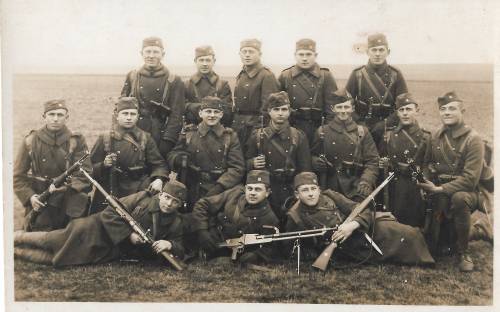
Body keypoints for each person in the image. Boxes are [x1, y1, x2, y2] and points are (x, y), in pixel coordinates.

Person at [14, 180, 187, 267]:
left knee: (57, 260)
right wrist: (129, 235)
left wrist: (169, 244)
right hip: (94, 229)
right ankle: (16, 237)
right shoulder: (142, 198)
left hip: (110, 249)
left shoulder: (176, 222)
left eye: (175, 202)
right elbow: (112, 211)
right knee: (52, 240)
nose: (169, 204)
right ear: (160, 195)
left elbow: (181, 247)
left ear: (180, 205)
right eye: (167, 198)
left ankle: (15, 252)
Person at [285, 172, 434, 266]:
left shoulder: (330, 195)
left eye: (313, 189)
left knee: (407, 232)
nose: (311, 194)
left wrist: (352, 225)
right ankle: (422, 257)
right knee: (405, 239)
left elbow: (361, 209)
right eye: (305, 190)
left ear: (319, 189)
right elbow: (298, 245)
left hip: (361, 228)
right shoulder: (295, 216)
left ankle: (427, 251)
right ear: (297, 195)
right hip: (348, 246)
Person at [418, 91, 489, 272]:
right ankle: (476, 232)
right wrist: (425, 182)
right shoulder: (434, 136)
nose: (447, 112)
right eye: (443, 109)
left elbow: (470, 180)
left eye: (452, 108)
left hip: (469, 193)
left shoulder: (474, 140)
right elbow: (426, 163)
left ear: (462, 111)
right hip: (439, 191)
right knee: (438, 244)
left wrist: (439, 189)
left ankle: (463, 252)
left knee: (459, 198)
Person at [13, 99, 92, 231]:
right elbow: (18, 177)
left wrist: (68, 187)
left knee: (69, 242)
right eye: (51, 114)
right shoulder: (31, 141)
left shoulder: (76, 141)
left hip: (67, 201)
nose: (55, 119)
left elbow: (85, 173)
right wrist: (31, 197)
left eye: (60, 115)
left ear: (67, 117)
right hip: (40, 199)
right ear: (44, 117)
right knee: (37, 243)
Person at [89, 97, 169, 213]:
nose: (128, 117)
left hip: (136, 190)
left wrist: (159, 179)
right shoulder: (105, 138)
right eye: (125, 113)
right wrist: (103, 165)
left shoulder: (145, 138)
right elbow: (89, 168)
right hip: (109, 189)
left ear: (137, 116)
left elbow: (159, 164)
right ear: (117, 115)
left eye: (132, 114)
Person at [168, 96, 245, 210]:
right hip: (193, 187)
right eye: (208, 111)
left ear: (221, 115)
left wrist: (220, 186)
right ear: (200, 113)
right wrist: (178, 158)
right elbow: (172, 155)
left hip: (219, 189)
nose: (212, 115)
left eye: (216, 112)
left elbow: (237, 168)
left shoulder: (229, 137)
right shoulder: (189, 133)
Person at [245, 91, 311, 222]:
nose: (280, 113)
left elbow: (305, 169)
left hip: (290, 191)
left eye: (284, 109)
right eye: (276, 109)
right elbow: (244, 163)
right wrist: (252, 163)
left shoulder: (298, 136)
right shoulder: (257, 136)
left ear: (289, 111)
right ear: (269, 111)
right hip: (265, 193)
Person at [192, 170, 280, 265]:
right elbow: (202, 204)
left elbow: (269, 248)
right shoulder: (234, 195)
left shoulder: (270, 218)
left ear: (267, 192)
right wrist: (202, 231)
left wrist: (256, 256)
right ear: (245, 189)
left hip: (237, 255)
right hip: (213, 244)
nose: (252, 193)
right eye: (250, 189)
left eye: (258, 189)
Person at [311, 89, 379, 201]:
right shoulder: (322, 131)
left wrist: (366, 180)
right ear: (333, 109)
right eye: (339, 107)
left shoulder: (362, 132)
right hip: (329, 185)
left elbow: (372, 160)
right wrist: (315, 161)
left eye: (346, 107)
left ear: (352, 108)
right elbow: (312, 154)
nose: (343, 111)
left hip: (355, 185)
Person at [121, 37, 185, 156]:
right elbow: (121, 107)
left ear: (163, 54)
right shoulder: (132, 76)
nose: (151, 56)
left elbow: (177, 114)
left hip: (160, 133)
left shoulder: (173, 80)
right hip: (134, 130)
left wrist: (168, 140)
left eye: (155, 52)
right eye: (148, 52)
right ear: (141, 53)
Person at [345, 33, 408, 147]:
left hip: (388, 127)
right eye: (374, 50)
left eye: (381, 50)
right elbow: (346, 102)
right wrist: (359, 123)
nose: (377, 54)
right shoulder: (357, 74)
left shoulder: (396, 74)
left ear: (388, 52)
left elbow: (403, 105)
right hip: (361, 126)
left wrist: (384, 124)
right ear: (367, 52)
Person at [378, 93, 431, 227]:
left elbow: (428, 164)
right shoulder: (389, 135)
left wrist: (423, 183)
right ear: (397, 113)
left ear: (417, 110)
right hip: (394, 186)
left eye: (409, 109)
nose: (405, 114)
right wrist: (384, 163)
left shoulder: (426, 137)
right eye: (401, 110)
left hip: (417, 185)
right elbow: (382, 160)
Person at [278, 38, 338, 142]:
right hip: (292, 128)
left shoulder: (325, 76)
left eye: (308, 54)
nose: (304, 58)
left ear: (315, 55)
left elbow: (331, 108)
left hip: (318, 128)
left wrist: (328, 130)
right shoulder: (286, 76)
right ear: (295, 55)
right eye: (301, 54)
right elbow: (276, 105)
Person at [232, 38, 279, 153]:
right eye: (244, 52)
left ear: (260, 54)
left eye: (251, 52)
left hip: (254, 128)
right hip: (239, 127)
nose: (247, 55)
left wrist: (258, 131)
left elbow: (268, 109)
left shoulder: (266, 76)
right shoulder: (242, 74)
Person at [184, 45, 233, 127]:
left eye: (208, 60)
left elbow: (227, 112)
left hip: (217, 132)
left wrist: (194, 107)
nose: (204, 64)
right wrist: (213, 107)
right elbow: (182, 109)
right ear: (195, 61)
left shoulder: (222, 85)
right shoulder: (187, 84)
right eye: (201, 60)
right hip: (192, 130)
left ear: (214, 61)